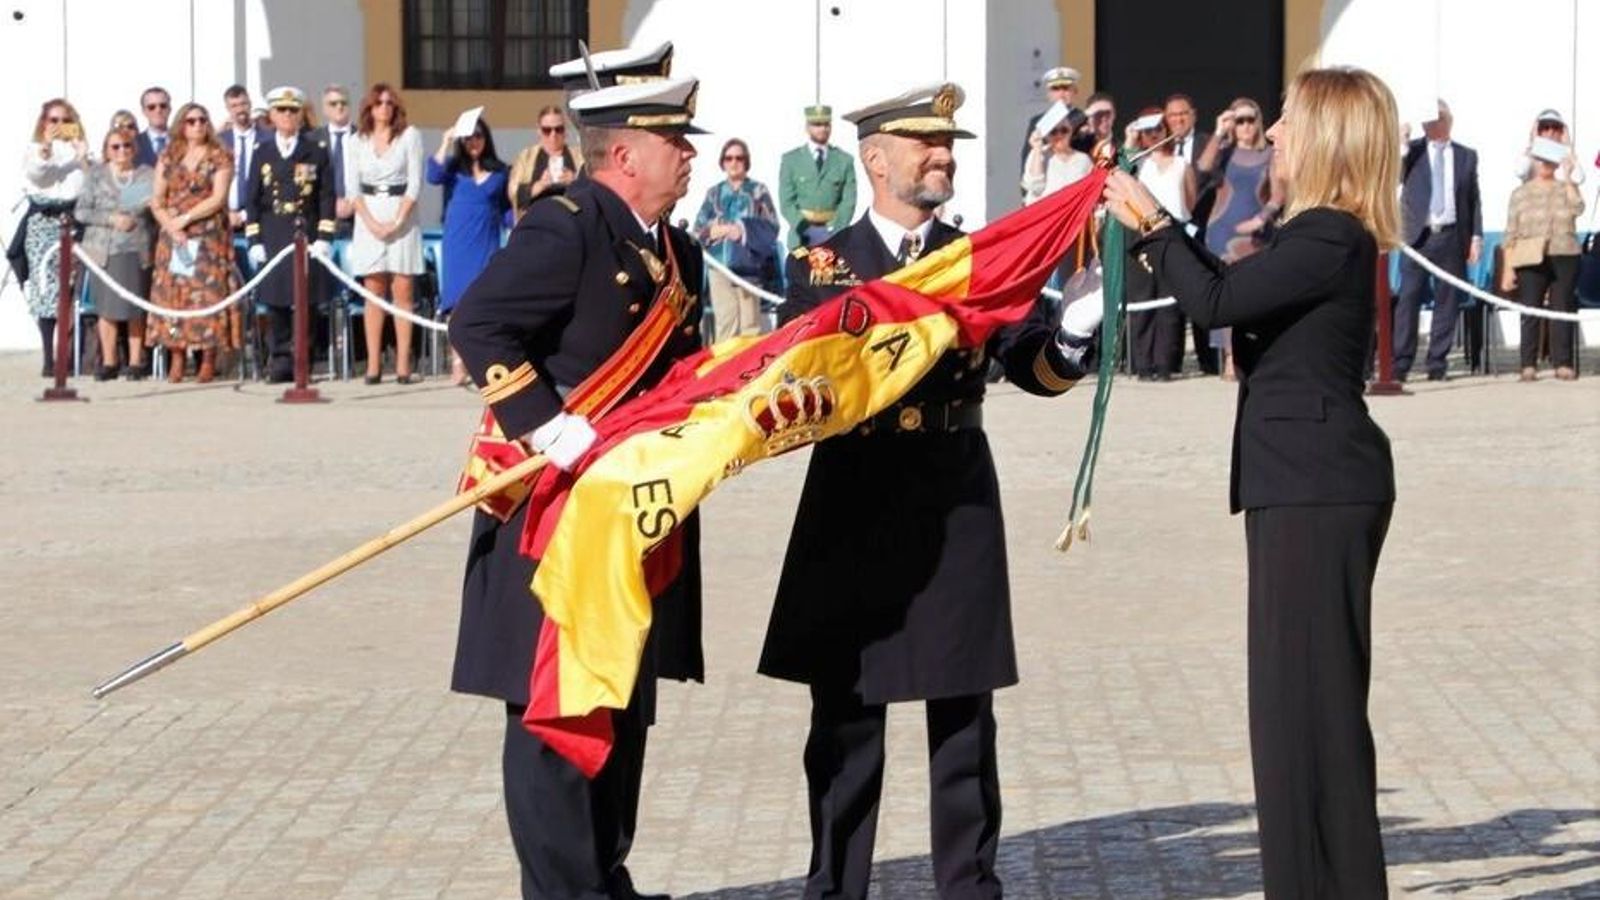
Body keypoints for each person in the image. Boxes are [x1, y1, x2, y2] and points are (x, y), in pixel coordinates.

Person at [761, 82, 1101, 899]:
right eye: (925, 143)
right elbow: (809, 367)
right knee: (845, 715)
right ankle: (836, 886)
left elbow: (1031, 366)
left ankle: (969, 884)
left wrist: (1074, 336)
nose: (944, 155)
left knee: (962, 710)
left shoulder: (981, 255)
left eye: (949, 145)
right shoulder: (824, 264)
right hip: (856, 489)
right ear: (875, 159)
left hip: (954, 486)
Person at [1105, 65, 1402, 899]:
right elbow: (1224, 286)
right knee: (1299, 713)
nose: (1271, 136)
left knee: (1308, 717)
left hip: (1316, 486)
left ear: (1330, 137)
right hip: (1302, 484)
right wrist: (1158, 227)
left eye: (1287, 122)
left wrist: (1155, 221)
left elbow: (1215, 302)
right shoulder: (1317, 233)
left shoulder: (1329, 234)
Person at [446, 71, 708, 900]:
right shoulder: (566, 227)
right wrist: (547, 424)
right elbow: (477, 320)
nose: (690, 156)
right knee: (554, 711)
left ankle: (605, 875)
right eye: (677, 143)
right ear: (625, 153)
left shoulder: (679, 251)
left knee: (621, 703)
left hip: (634, 513)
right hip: (553, 514)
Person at [244, 86, 336, 383]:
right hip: (273, 232)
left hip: (304, 231)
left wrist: (325, 236)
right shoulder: (263, 152)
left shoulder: (316, 150)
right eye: (281, 110)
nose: (286, 116)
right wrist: (254, 239)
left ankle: (303, 359)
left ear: (300, 115)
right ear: (271, 115)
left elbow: (326, 196)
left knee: (305, 301)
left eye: (292, 110)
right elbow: (252, 198)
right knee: (276, 300)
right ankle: (280, 359)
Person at [1196, 97, 1285, 380]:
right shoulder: (1224, 152)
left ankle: (1253, 352)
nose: (1245, 126)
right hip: (1222, 232)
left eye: (1250, 119)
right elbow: (1202, 167)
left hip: (1255, 235)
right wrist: (1220, 131)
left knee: (1254, 295)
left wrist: (1262, 218)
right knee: (1225, 297)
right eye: (1240, 120)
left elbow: (1279, 195)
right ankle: (1230, 356)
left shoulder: (1270, 154)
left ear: (1258, 122)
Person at [1395, 100, 1482, 382]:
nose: (1433, 124)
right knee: (1408, 299)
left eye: (1439, 118)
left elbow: (1473, 199)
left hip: (1451, 236)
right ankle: (1401, 362)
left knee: (1447, 301)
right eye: (1429, 119)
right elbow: (1394, 175)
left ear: (1449, 120)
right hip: (1417, 237)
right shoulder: (1413, 152)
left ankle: (1437, 363)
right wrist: (1401, 144)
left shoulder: (1466, 156)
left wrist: (1475, 237)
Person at [148, 102, 235, 383]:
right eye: (191, 121)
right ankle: (176, 355)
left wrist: (185, 218)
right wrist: (170, 226)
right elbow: (157, 199)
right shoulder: (169, 155)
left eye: (202, 120)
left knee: (206, 295)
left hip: (207, 234)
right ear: (181, 125)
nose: (197, 125)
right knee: (174, 297)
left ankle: (208, 358)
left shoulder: (219, 156)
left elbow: (217, 198)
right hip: (174, 237)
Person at [345, 83, 425, 384]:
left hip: (401, 214)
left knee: (403, 289)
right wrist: (371, 222)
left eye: (389, 103)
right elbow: (352, 188)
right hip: (368, 216)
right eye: (378, 103)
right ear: (369, 108)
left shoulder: (409, 136)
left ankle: (403, 363)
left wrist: (397, 220)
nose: (384, 108)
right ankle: (373, 364)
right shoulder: (357, 140)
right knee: (373, 289)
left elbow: (415, 183)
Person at [426, 116, 510, 385]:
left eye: (478, 136)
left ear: (486, 139)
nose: (473, 141)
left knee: (483, 301)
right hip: (457, 242)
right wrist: (446, 140)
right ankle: (458, 363)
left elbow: (508, 208)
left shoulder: (500, 172)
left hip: (485, 240)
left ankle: (482, 363)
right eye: (468, 137)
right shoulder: (452, 169)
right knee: (457, 303)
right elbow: (432, 175)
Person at [1503, 138, 1586, 381]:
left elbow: (1578, 208)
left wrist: (1570, 176)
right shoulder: (1520, 193)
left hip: (1565, 254)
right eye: (1541, 159)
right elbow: (1510, 233)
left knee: (1562, 308)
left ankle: (1563, 362)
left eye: (1550, 160)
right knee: (1530, 308)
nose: (1545, 164)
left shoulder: (1565, 188)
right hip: (1530, 254)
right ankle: (1528, 363)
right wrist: (1508, 269)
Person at [77, 125, 154, 380]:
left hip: (136, 249)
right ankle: (110, 361)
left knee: (134, 308)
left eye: (127, 146)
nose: (122, 151)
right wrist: (111, 218)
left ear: (135, 148)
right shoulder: (95, 176)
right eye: (115, 147)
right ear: (107, 151)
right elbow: (81, 212)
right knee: (107, 309)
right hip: (103, 251)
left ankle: (135, 360)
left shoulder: (147, 175)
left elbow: (155, 206)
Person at [18, 98, 88, 377]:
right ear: (44, 123)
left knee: (70, 288)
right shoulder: (34, 150)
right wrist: (46, 148)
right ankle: (49, 355)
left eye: (65, 121)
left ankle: (67, 350)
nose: (59, 126)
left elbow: (89, 183)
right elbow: (38, 174)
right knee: (45, 290)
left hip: (71, 220)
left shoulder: (79, 151)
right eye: (53, 120)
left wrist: (81, 156)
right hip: (43, 222)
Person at [1123, 109, 1194, 382]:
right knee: (1143, 299)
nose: (1154, 135)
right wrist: (1130, 138)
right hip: (1141, 232)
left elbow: (1189, 203)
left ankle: (1163, 363)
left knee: (1168, 301)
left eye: (1158, 129)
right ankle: (1142, 363)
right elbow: (1118, 171)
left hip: (1171, 229)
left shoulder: (1180, 164)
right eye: (1148, 130)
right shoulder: (1139, 164)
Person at [693, 137, 779, 341]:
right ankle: (725, 370)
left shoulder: (758, 191)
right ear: (722, 162)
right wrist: (713, 231)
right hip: (719, 267)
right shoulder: (714, 193)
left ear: (746, 161)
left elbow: (772, 226)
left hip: (748, 267)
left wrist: (742, 231)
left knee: (751, 326)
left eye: (739, 158)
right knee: (725, 324)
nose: (734, 162)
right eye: (729, 158)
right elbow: (698, 229)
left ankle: (752, 371)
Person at [1161, 93, 1220, 374]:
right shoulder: (1159, 145)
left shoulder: (1208, 143)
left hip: (1203, 228)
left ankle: (1207, 358)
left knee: (1202, 288)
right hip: (1169, 230)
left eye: (1183, 114)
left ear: (1193, 115)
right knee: (1170, 292)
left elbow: (1211, 179)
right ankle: (1169, 359)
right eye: (1172, 115)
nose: (1178, 120)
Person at [777, 105, 857, 248]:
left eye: (826, 124)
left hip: (833, 236)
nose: (822, 129)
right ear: (807, 127)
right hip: (801, 238)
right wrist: (805, 227)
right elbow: (786, 202)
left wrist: (834, 228)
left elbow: (849, 201)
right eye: (817, 124)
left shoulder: (844, 160)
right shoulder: (791, 160)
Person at [507, 105, 580, 220]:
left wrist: (575, 179)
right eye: (547, 130)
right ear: (538, 130)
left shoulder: (579, 156)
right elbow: (512, 191)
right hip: (536, 224)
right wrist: (537, 186)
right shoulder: (526, 157)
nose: (553, 135)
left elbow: (595, 185)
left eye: (558, 129)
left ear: (565, 130)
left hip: (571, 224)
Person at [220, 84, 268, 233]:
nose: (240, 109)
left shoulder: (268, 139)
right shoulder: (219, 142)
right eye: (234, 106)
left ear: (250, 104)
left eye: (243, 104)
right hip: (225, 219)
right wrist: (226, 213)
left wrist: (245, 214)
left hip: (259, 217)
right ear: (228, 109)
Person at [310, 85, 356, 239]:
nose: (339, 107)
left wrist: (354, 202)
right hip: (321, 220)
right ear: (324, 109)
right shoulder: (312, 140)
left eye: (343, 103)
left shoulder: (364, 137)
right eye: (333, 104)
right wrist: (331, 203)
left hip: (359, 219)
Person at [1021, 109, 1093, 204]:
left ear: (1070, 132)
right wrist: (1037, 148)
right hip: (1045, 214)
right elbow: (1035, 187)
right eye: (1053, 132)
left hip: (1071, 215)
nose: (1059, 135)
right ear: (1046, 135)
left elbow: (1089, 192)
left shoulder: (1083, 160)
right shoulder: (1038, 154)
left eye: (1064, 130)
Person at [1019, 65, 1081, 172]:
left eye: (1066, 88)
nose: (1061, 94)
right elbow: (1028, 157)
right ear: (1048, 94)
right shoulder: (1037, 122)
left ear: (1075, 92)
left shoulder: (1085, 119)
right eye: (1055, 89)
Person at [1514, 109, 1585, 185]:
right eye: (1545, 127)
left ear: (1562, 132)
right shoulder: (1530, 156)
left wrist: (1568, 146)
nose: (1551, 132)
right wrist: (1532, 143)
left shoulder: (1565, 158)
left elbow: (1578, 179)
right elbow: (1520, 172)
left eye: (1556, 127)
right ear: (1538, 131)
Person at [133, 87, 172, 167]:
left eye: (163, 106)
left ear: (169, 109)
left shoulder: (182, 140)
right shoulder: (134, 144)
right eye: (151, 107)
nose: (158, 110)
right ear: (144, 111)